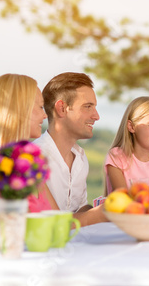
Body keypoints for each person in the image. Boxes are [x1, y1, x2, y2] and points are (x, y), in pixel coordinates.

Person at [0, 73, 51, 251]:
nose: (45, 115)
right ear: (20, 110)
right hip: (2, 266)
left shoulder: (23, 162)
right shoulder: (3, 166)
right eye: (40, 107)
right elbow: (26, 232)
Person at [34, 72, 99, 213]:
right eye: (88, 106)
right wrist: (100, 213)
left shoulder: (80, 158)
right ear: (62, 108)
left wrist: (100, 207)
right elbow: (54, 224)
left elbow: (79, 211)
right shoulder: (34, 158)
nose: (96, 116)